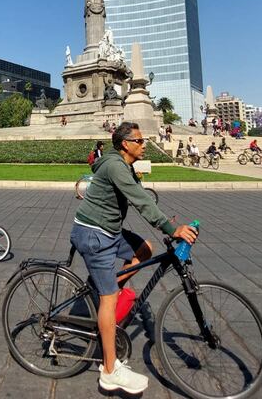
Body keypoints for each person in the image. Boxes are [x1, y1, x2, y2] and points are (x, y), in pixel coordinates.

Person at [70, 122, 198, 394]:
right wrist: (171, 228)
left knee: (145, 250)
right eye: (139, 140)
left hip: (110, 231)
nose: (144, 144)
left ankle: (105, 286)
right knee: (109, 299)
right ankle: (109, 370)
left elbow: (141, 199)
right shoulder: (115, 165)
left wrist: (165, 223)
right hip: (94, 235)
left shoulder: (122, 165)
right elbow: (140, 199)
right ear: (125, 144)